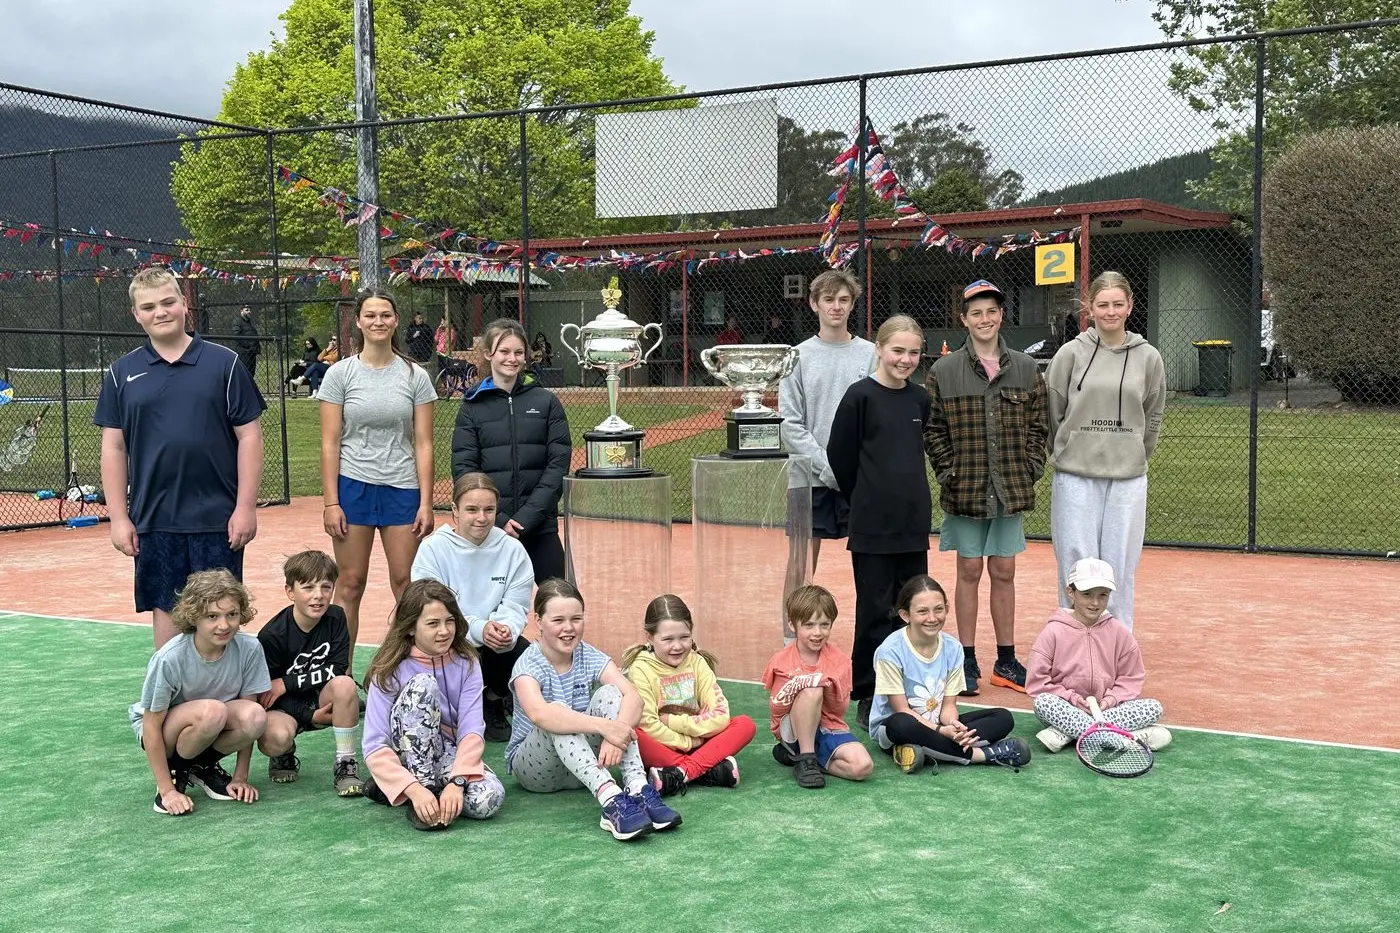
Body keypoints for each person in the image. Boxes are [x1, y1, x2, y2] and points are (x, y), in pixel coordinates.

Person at [96, 267, 265, 648]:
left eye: (168, 302)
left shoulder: (225, 364)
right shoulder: (122, 373)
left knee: (220, 613)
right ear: (136, 315)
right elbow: (113, 447)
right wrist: (119, 517)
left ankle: (223, 702)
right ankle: (171, 702)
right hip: (155, 519)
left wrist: (245, 507)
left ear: (184, 305)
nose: (161, 312)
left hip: (217, 519)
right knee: (166, 612)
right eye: (149, 306)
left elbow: (250, 436)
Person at [924, 280, 1050, 695]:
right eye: (975, 313)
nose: (984, 319)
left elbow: (1039, 427)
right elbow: (935, 430)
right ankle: (967, 659)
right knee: (968, 569)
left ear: (1001, 316)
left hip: (1009, 488)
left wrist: (1029, 468)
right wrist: (949, 471)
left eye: (991, 311)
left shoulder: (1027, 369)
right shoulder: (943, 371)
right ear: (964, 319)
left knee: (1004, 570)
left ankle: (1007, 659)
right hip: (967, 488)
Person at [506, 579, 683, 842]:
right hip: (535, 770)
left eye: (576, 618)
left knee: (613, 693)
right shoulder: (528, 665)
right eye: (558, 620)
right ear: (538, 621)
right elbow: (540, 715)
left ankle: (637, 787)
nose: (569, 628)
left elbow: (634, 697)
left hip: (582, 764)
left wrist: (618, 732)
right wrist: (605, 728)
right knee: (559, 715)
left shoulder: (587, 654)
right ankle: (610, 799)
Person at [319, 288, 437, 670]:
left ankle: (403, 673)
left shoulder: (415, 375)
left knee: (405, 586)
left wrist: (425, 501)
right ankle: (342, 677)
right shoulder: (340, 374)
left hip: (402, 488)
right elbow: (330, 442)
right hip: (352, 487)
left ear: (396, 320)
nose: (378, 321)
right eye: (370, 315)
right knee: (350, 584)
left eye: (385, 314)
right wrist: (331, 501)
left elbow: (423, 443)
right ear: (358, 321)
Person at [827, 315, 931, 731]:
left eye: (913, 352)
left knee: (911, 610)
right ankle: (869, 692)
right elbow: (841, 457)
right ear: (880, 349)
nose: (905, 359)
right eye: (898, 350)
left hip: (912, 522)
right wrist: (865, 497)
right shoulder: (859, 396)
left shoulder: (920, 399)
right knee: (874, 611)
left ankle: (908, 689)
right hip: (871, 525)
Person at [1046, 271, 1166, 628]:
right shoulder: (1071, 353)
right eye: (1102, 305)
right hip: (1076, 476)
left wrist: (1136, 454)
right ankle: (1072, 637)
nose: (1110, 312)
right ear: (1090, 308)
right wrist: (1068, 448)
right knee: (1076, 561)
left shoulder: (1148, 357)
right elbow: (1053, 412)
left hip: (1127, 477)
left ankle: (1117, 638)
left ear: (1129, 306)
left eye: (1117, 304)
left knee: (1120, 562)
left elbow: (1153, 413)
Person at [360, 579, 505, 830]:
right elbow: (374, 745)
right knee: (424, 686)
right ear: (411, 628)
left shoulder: (467, 662)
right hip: (404, 754)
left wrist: (458, 782)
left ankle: (397, 791)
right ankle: (419, 791)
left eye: (449, 620)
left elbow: (471, 729)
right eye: (433, 623)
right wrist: (416, 790)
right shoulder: (388, 670)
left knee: (488, 799)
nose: (444, 631)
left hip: (445, 750)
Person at [778, 269, 875, 640]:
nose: (836, 306)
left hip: (859, 479)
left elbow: (873, 418)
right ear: (814, 303)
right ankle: (792, 636)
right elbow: (790, 423)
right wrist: (829, 466)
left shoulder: (869, 354)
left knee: (869, 561)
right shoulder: (796, 357)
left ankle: (872, 636)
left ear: (853, 304)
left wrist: (849, 468)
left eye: (844, 299)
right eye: (829, 299)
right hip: (809, 477)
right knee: (801, 563)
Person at [128, 570, 270, 815]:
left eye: (232, 614)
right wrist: (167, 791)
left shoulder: (249, 648)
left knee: (255, 716)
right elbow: (151, 725)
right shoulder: (169, 658)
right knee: (212, 711)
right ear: (194, 617)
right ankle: (177, 772)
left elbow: (248, 713)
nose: (224, 625)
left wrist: (240, 777)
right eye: (212, 616)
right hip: (164, 730)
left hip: (210, 725)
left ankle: (199, 768)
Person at [411, 472, 534, 743]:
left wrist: (505, 629)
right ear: (454, 510)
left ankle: (493, 699)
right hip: (449, 641)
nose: (481, 518)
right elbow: (429, 610)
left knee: (526, 654)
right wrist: (479, 628)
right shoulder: (432, 549)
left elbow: (516, 604)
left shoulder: (512, 550)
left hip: (492, 645)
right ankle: (461, 704)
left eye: (489, 509)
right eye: (472, 509)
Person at [869, 575, 1032, 773]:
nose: (932, 618)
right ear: (905, 615)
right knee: (900, 724)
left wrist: (954, 727)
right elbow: (902, 710)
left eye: (939, 609)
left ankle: (922, 751)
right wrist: (941, 731)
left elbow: (948, 706)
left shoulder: (953, 647)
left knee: (1003, 717)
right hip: (896, 726)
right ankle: (981, 755)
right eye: (922, 611)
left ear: (947, 608)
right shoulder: (890, 651)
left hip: (939, 723)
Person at [451, 318, 571, 583]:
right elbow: (464, 469)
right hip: (490, 527)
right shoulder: (472, 405)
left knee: (558, 597)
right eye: (504, 352)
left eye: (518, 352)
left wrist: (526, 518)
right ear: (488, 354)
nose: (512, 359)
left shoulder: (546, 402)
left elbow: (557, 465)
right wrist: (498, 518)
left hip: (540, 526)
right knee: (488, 608)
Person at [1026, 558, 1171, 753]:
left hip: (1107, 709)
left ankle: (1067, 734)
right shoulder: (1052, 632)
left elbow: (1131, 678)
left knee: (1154, 707)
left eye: (1103, 595)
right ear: (1071, 592)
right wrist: (1074, 700)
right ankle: (1122, 740)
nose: (1095, 603)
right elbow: (1037, 683)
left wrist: (1109, 701)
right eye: (1087, 594)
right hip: (1065, 708)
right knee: (1044, 703)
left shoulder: (1120, 633)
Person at [620, 594, 757, 797]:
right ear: (649, 637)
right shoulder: (640, 669)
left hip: (699, 739)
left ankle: (678, 774)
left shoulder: (697, 662)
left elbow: (721, 715)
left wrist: (675, 723)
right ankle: (708, 770)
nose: (677, 646)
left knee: (745, 725)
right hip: (669, 745)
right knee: (634, 735)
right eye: (667, 639)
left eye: (684, 637)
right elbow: (648, 723)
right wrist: (689, 742)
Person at [255, 549, 364, 796]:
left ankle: (346, 763)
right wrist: (309, 714)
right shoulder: (271, 636)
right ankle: (283, 754)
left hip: (320, 697)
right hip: (286, 707)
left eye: (326, 587)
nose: (319, 596)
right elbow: (268, 697)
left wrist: (287, 682)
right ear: (289, 592)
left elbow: (337, 668)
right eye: (308, 588)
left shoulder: (336, 617)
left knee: (345, 684)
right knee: (275, 738)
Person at [232, 306, 260, 377]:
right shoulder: (237, 321)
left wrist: (256, 348)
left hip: (251, 354)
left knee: (251, 374)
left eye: (250, 310)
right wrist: (249, 346)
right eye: (246, 310)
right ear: (241, 311)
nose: (249, 312)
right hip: (243, 353)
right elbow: (237, 336)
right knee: (245, 374)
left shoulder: (250, 323)